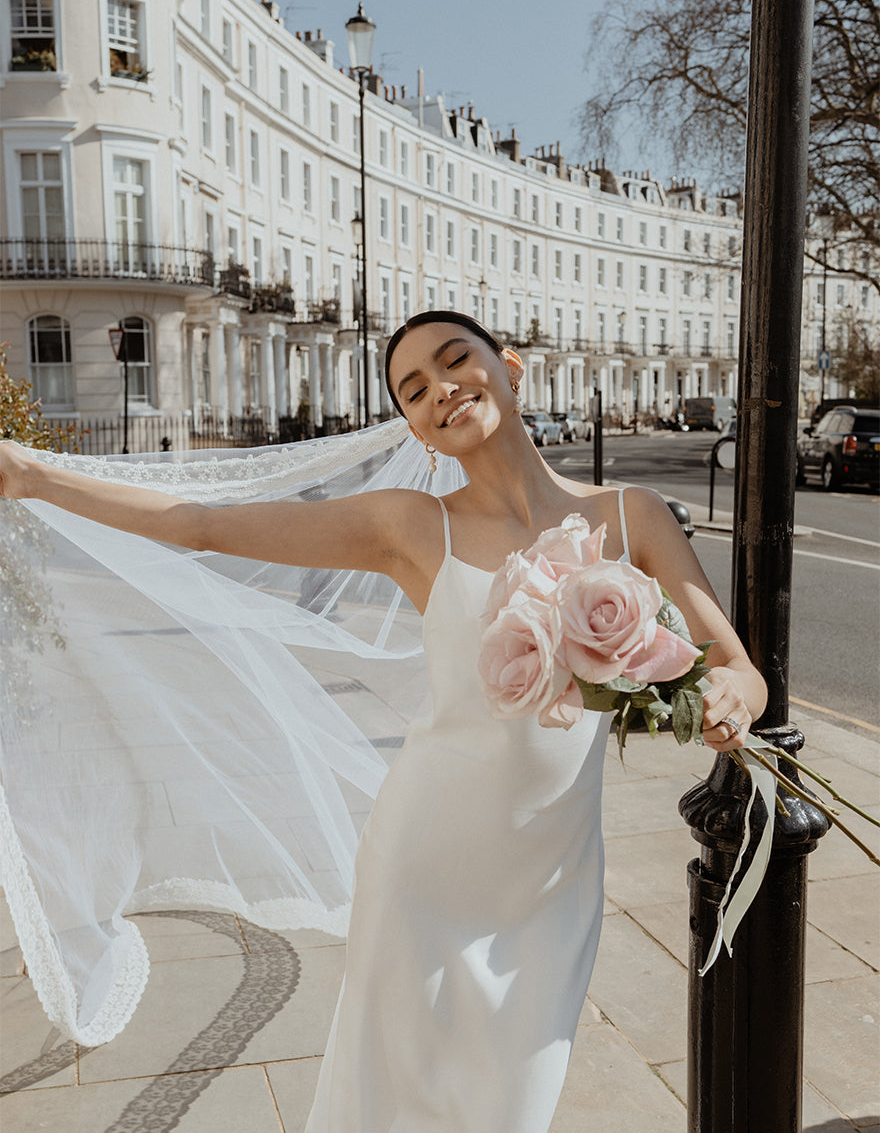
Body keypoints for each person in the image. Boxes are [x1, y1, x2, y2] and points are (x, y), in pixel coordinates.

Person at [0, 310, 765, 1130]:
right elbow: (201, 524)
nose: (441, 389)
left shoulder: (632, 515)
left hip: (552, 882)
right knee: (392, 1103)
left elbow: (737, 666)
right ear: (415, 428)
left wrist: (729, 703)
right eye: (414, 389)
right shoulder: (409, 525)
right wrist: (33, 478)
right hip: (424, 867)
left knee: (513, 1107)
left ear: (508, 366)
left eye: (454, 361)